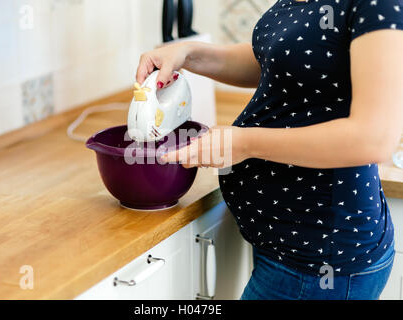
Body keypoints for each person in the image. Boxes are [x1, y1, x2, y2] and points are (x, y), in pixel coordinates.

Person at [136, 0, 403, 300]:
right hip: (284, 247)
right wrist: (188, 54)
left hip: (321, 262)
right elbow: (279, 57)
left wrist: (242, 143)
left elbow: (374, 138)